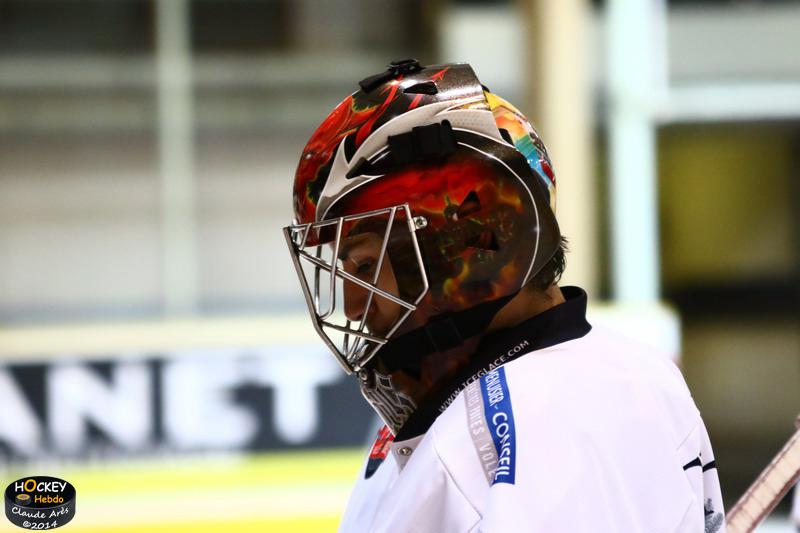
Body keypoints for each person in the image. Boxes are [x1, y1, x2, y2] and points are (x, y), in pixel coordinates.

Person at [283, 60, 725, 532]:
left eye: (365, 265)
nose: (354, 306)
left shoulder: (549, 420)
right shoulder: (507, 404)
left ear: (465, 244)